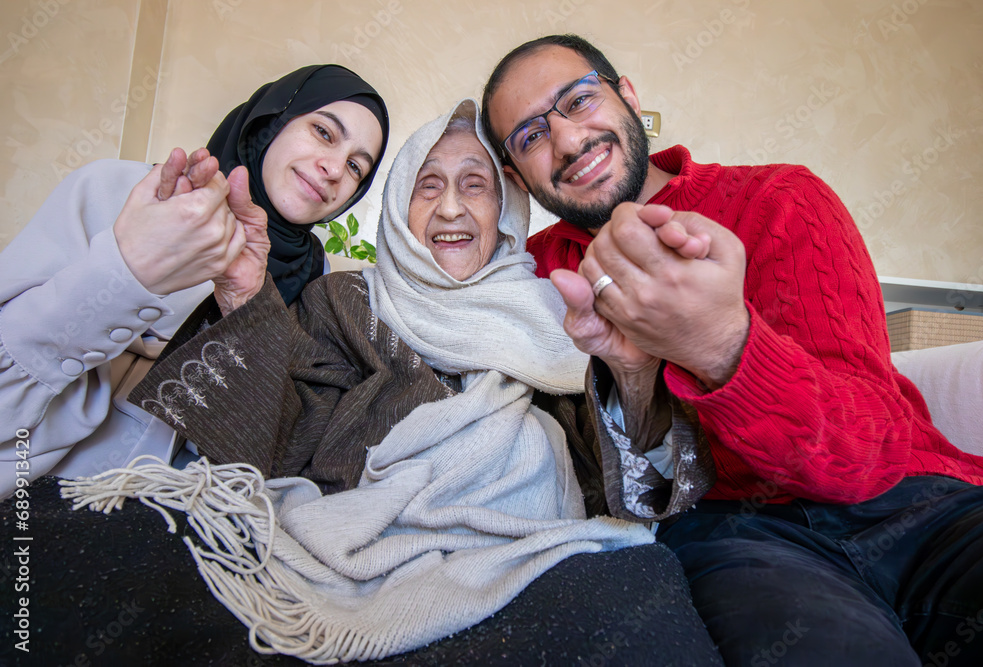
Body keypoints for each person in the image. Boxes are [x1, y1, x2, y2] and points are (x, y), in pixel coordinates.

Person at [54, 99, 725, 665]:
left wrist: (634, 374)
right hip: (350, 545)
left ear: (507, 211)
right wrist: (243, 298)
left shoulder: (563, 314)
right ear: (401, 208)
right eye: (428, 184)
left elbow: (633, 492)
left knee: (647, 595)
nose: (452, 206)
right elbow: (272, 448)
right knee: (88, 546)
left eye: (475, 183)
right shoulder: (345, 300)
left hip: (529, 557)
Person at [480, 34, 983, 666]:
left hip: (919, 503)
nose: (566, 141)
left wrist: (723, 346)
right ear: (515, 177)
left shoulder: (781, 200)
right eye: (531, 136)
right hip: (735, 534)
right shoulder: (533, 275)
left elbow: (869, 451)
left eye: (579, 100)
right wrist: (634, 373)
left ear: (628, 97)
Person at [0, 65, 389, 498]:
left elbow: (268, 451)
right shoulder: (117, 192)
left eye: (356, 166)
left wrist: (248, 307)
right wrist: (128, 271)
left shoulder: (319, 282)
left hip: (183, 520)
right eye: (323, 132)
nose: (335, 168)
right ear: (271, 121)